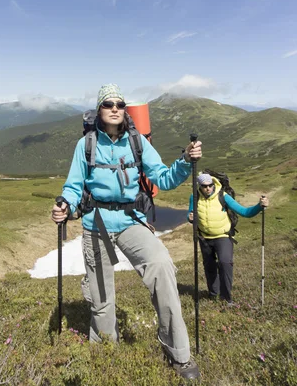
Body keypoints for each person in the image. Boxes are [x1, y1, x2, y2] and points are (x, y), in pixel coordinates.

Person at [52, 84, 202, 381]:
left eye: (120, 103)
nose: (116, 108)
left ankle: (180, 354)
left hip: (132, 220)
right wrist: (65, 207)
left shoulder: (137, 142)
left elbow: (163, 177)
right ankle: (106, 351)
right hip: (96, 224)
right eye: (109, 103)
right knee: (102, 299)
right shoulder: (86, 145)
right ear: (99, 109)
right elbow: (73, 186)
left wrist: (186, 161)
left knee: (161, 267)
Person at [188, 173, 269, 305]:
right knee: (209, 267)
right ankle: (213, 295)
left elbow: (245, 212)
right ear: (200, 186)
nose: (208, 188)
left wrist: (260, 206)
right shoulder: (195, 197)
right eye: (204, 186)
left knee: (225, 263)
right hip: (204, 238)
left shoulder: (223, 196)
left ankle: (226, 299)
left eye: (210, 185)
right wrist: (190, 218)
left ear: (213, 184)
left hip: (223, 236)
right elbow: (191, 213)